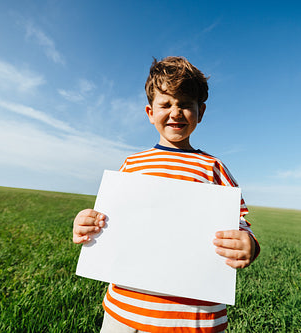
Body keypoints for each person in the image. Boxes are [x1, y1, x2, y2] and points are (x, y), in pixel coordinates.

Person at [73, 56, 260, 333]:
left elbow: (240, 222)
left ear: (201, 112)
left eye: (185, 104)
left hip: (193, 318)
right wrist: (85, 223)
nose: (176, 112)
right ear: (150, 112)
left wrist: (249, 244)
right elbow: (107, 219)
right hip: (125, 311)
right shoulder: (132, 165)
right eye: (166, 104)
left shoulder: (213, 168)